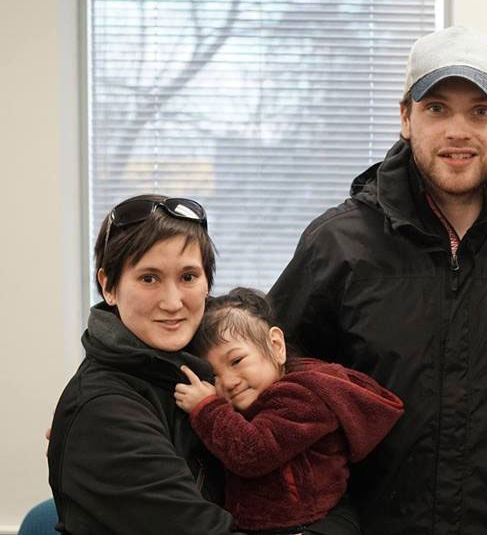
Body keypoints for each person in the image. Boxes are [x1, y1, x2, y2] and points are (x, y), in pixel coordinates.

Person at [269, 25, 487, 533]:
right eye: (437, 108)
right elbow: (269, 376)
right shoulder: (337, 244)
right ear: (406, 117)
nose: (458, 131)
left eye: (481, 111)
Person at [47, 195, 358, 535]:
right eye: (149, 278)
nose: (173, 302)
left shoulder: (201, 374)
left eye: (188, 277)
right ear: (108, 286)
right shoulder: (105, 413)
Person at [173, 288, 404, 534]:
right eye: (214, 374)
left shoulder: (304, 394)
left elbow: (253, 451)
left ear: (276, 346)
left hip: (305, 524)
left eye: (237, 361)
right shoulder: (256, 397)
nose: (228, 381)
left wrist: (206, 408)